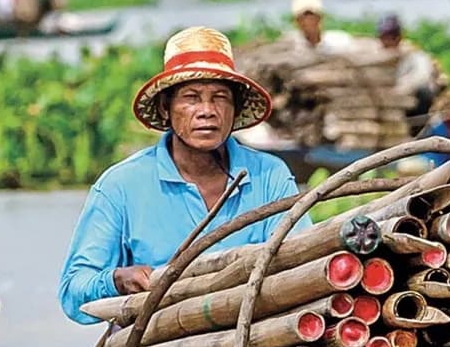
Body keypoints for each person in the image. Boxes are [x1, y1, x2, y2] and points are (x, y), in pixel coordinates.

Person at [58, 27, 299, 322]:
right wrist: (116, 280)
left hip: (252, 334)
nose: (207, 111)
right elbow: (73, 292)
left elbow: (297, 259)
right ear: (165, 107)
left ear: (234, 109)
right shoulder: (121, 185)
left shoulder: (269, 176)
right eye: (192, 97)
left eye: (220, 97)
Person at [376, 14, 439, 118]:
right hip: (387, 104)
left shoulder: (414, 57)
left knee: (423, 92)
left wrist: (401, 88)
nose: (386, 42)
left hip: (412, 106)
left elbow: (421, 77)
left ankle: (415, 129)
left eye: (390, 37)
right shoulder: (376, 58)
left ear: (398, 37)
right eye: (383, 37)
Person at [284, 0, 357, 53]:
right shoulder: (290, 47)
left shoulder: (341, 41)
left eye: (311, 15)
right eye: (302, 17)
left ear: (320, 17)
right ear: (296, 21)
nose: (307, 21)